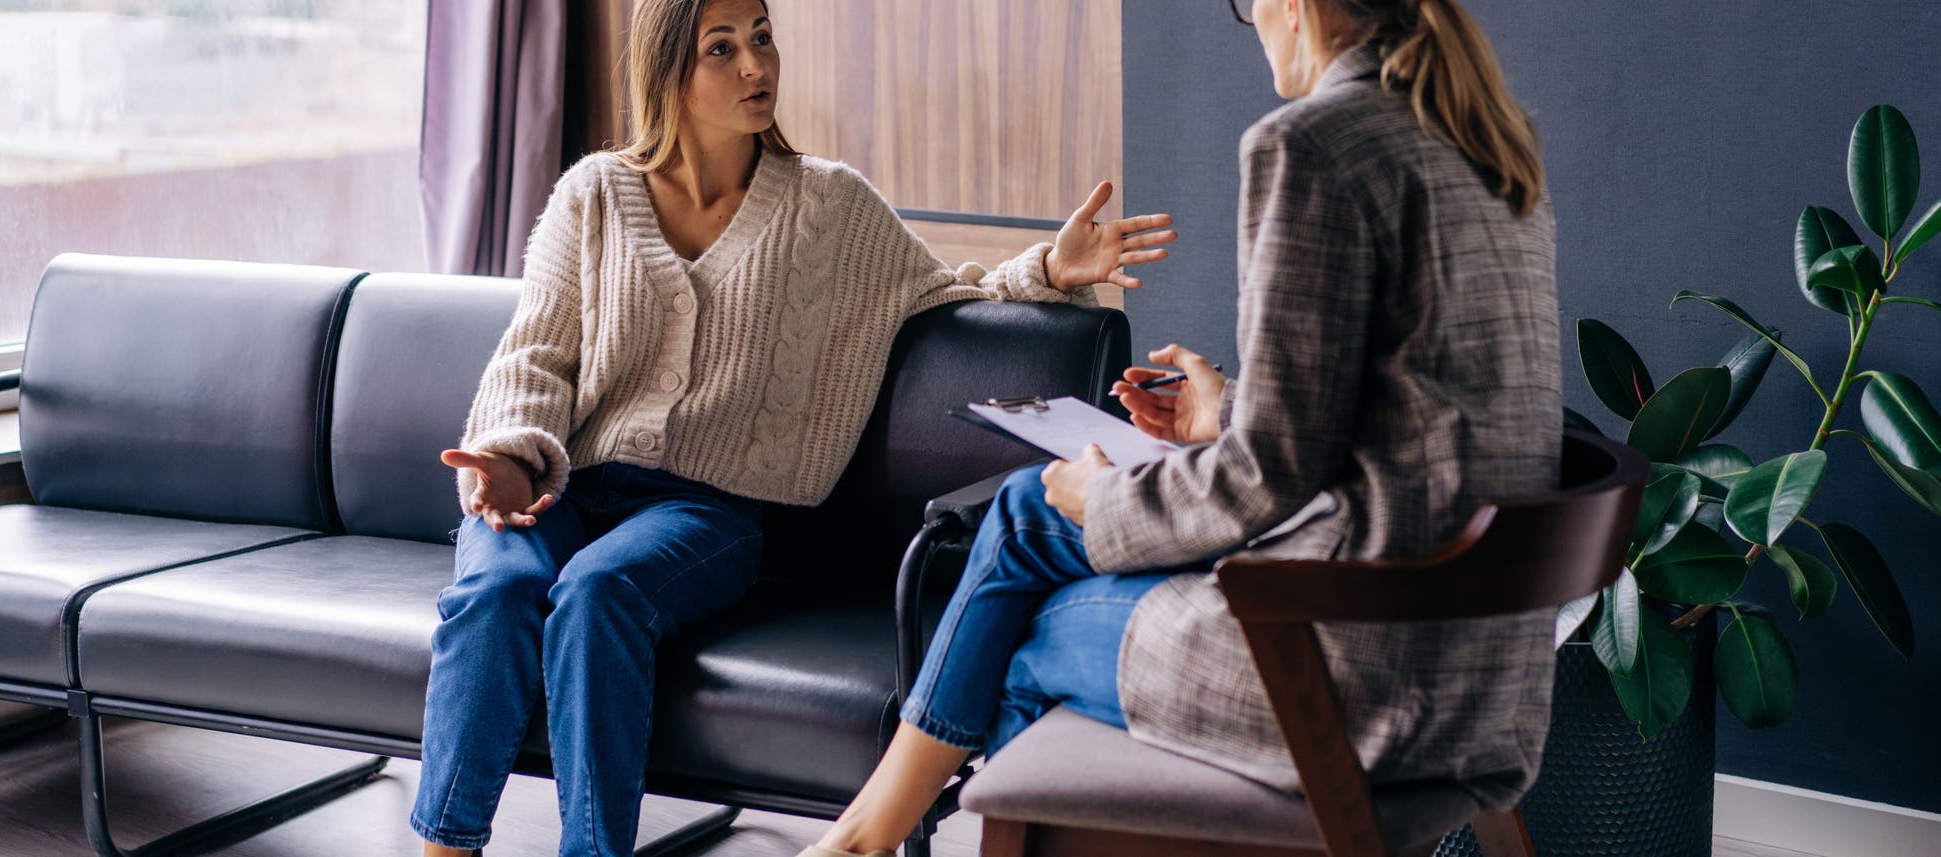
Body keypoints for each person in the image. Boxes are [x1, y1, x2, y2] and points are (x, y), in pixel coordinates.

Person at [408, 0, 1177, 855]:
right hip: (566, 482)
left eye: (762, 38)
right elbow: (535, 355)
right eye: (723, 48)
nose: (755, 66)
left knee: (599, 593)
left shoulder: (827, 205)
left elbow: (942, 295)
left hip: (705, 514)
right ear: (669, 70)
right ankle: (445, 846)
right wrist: (512, 458)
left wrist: (1048, 268)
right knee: (494, 589)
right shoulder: (593, 193)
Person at [802, 0, 1560, 854]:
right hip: (1478, 677)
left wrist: (1109, 495)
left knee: (1024, 627)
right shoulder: (1486, 142)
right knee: (1025, 510)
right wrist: (1226, 410)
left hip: (1349, 675)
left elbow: (1265, 478)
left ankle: (862, 838)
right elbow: (1419, 420)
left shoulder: (1311, 144)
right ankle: (864, 836)